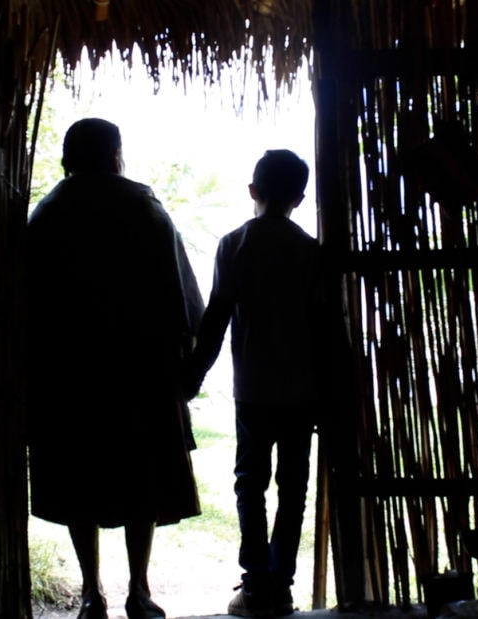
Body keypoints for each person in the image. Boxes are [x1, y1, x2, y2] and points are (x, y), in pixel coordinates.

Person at [25, 118, 204, 619]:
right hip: (140, 372)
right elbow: (183, 301)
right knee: (140, 479)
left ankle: (89, 593)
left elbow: (29, 303)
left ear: (68, 158)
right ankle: (139, 592)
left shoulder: (50, 213)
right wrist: (184, 369)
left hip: (69, 375)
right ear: (116, 156)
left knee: (79, 478)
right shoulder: (145, 210)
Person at [183, 149, 323, 618]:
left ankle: (255, 582)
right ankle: (281, 585)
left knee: (250, 482)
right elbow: (323, 328)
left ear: (253, 192)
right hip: (302, 390)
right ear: (300, 199)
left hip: (254, 390)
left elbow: (216, 318)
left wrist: (194, 374)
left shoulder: (234, 244)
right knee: (294, 485)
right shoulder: (308, 250)